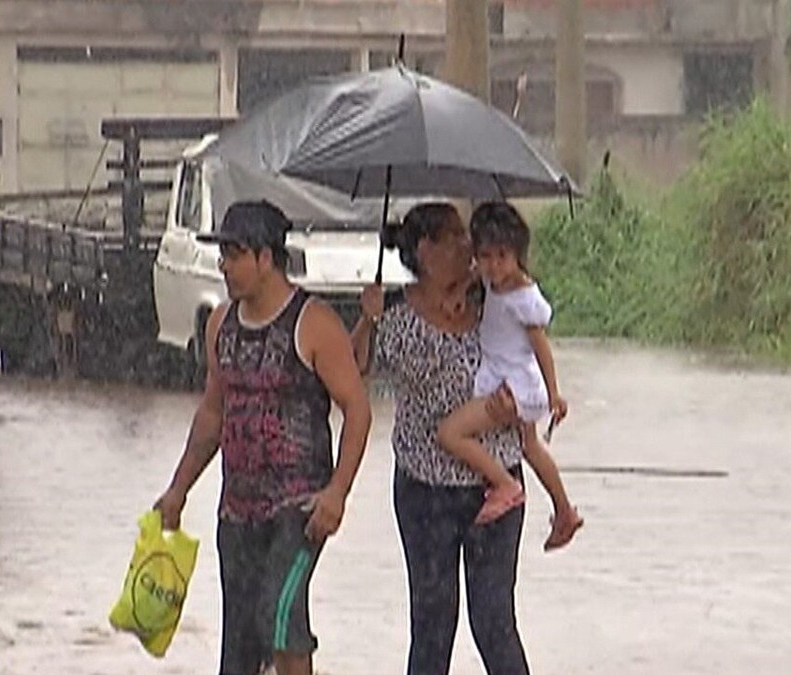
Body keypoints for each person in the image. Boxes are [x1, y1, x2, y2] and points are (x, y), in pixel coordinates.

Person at [153, 200, 373, 675]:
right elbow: (212, 414)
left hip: (300, 508)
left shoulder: (314, 324)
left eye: (235, 255)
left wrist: (337, 492)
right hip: (238, 509)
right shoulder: (220, 325)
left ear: (266, 259)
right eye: (223, 255)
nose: (225, 266)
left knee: (279, 613)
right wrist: (178, 490)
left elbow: (357, 409)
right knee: (240, 642)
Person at [351, 202, 530, 675]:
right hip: (425, 491)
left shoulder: (495, 300)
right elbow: (352, 374)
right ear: (425, 250)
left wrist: (523, 400)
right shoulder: (391, 312)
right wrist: (366, 318)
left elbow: (533, 348)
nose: (467, 246)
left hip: (496, 489)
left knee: (493, 620)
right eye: (454, 237)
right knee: (433, 622)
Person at [436, 201, 583, 550]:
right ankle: (564, 510)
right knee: (530, 447)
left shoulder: (523, 298)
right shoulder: (492, 281)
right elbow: (476, 276)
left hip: (514, 384)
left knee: (450, 433)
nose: (492, 265)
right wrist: (459, 290)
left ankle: (504, 484)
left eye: (502, 256)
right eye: (485, 256)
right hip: (509, 375)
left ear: (518, 254)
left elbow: (541, 347)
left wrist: (554, 394)